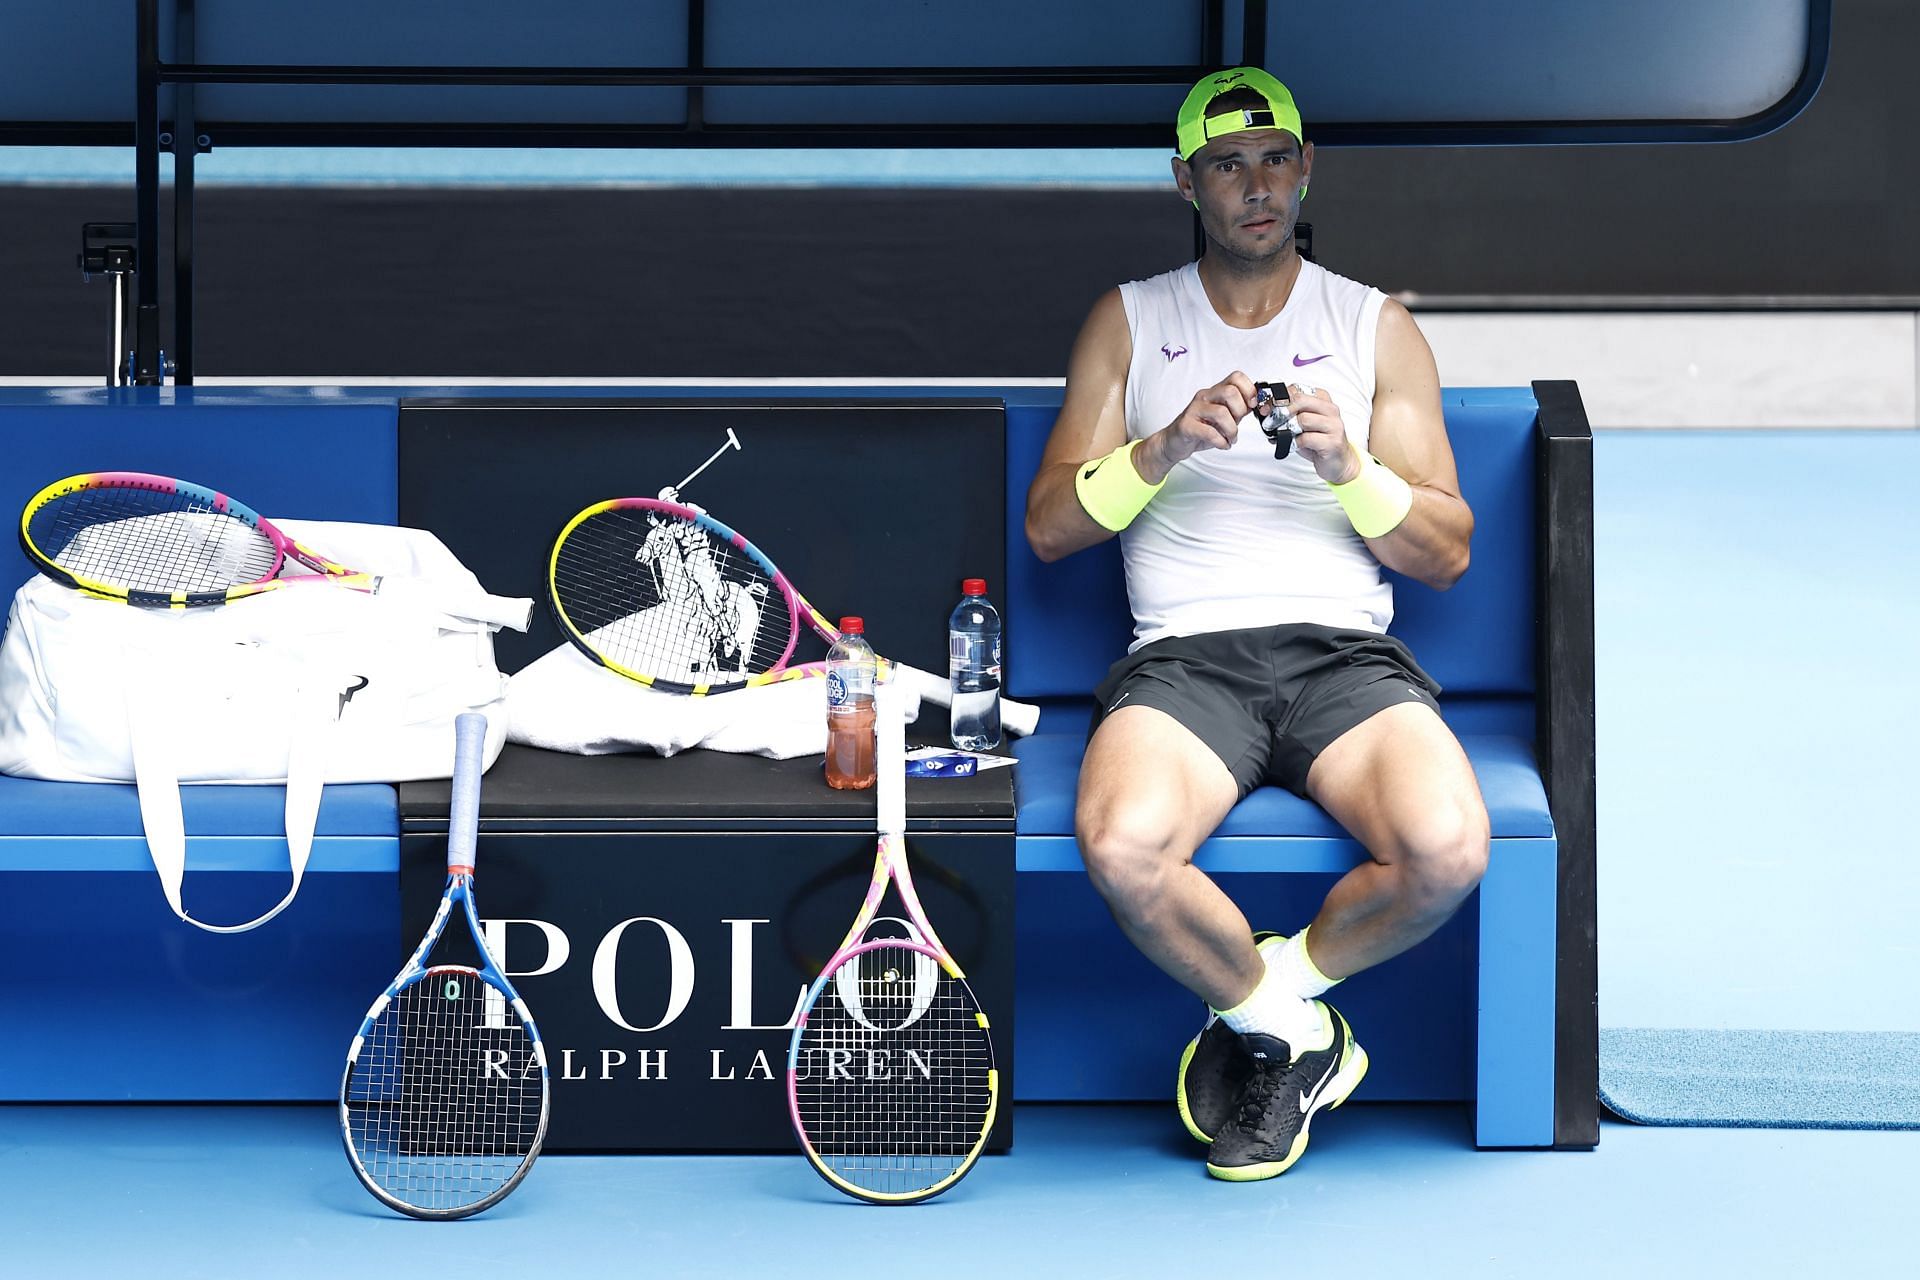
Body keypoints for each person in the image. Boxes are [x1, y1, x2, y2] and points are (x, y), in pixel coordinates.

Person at [1024, 67, 1487, 1182]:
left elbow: (1448, 549)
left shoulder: (1375, 324)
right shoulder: (1129, 318)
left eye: (1275, 157)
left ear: (1305, 166)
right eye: (1227, 165)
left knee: (1448, 847)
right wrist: (1165, 445)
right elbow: (1048, 526)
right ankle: (1295, 1031)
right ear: (1187, 181)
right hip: (1185, 661)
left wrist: (1349, 465)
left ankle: (1269, 1003)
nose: (1256, 184)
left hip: (1345, 657)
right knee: (1124, 845)